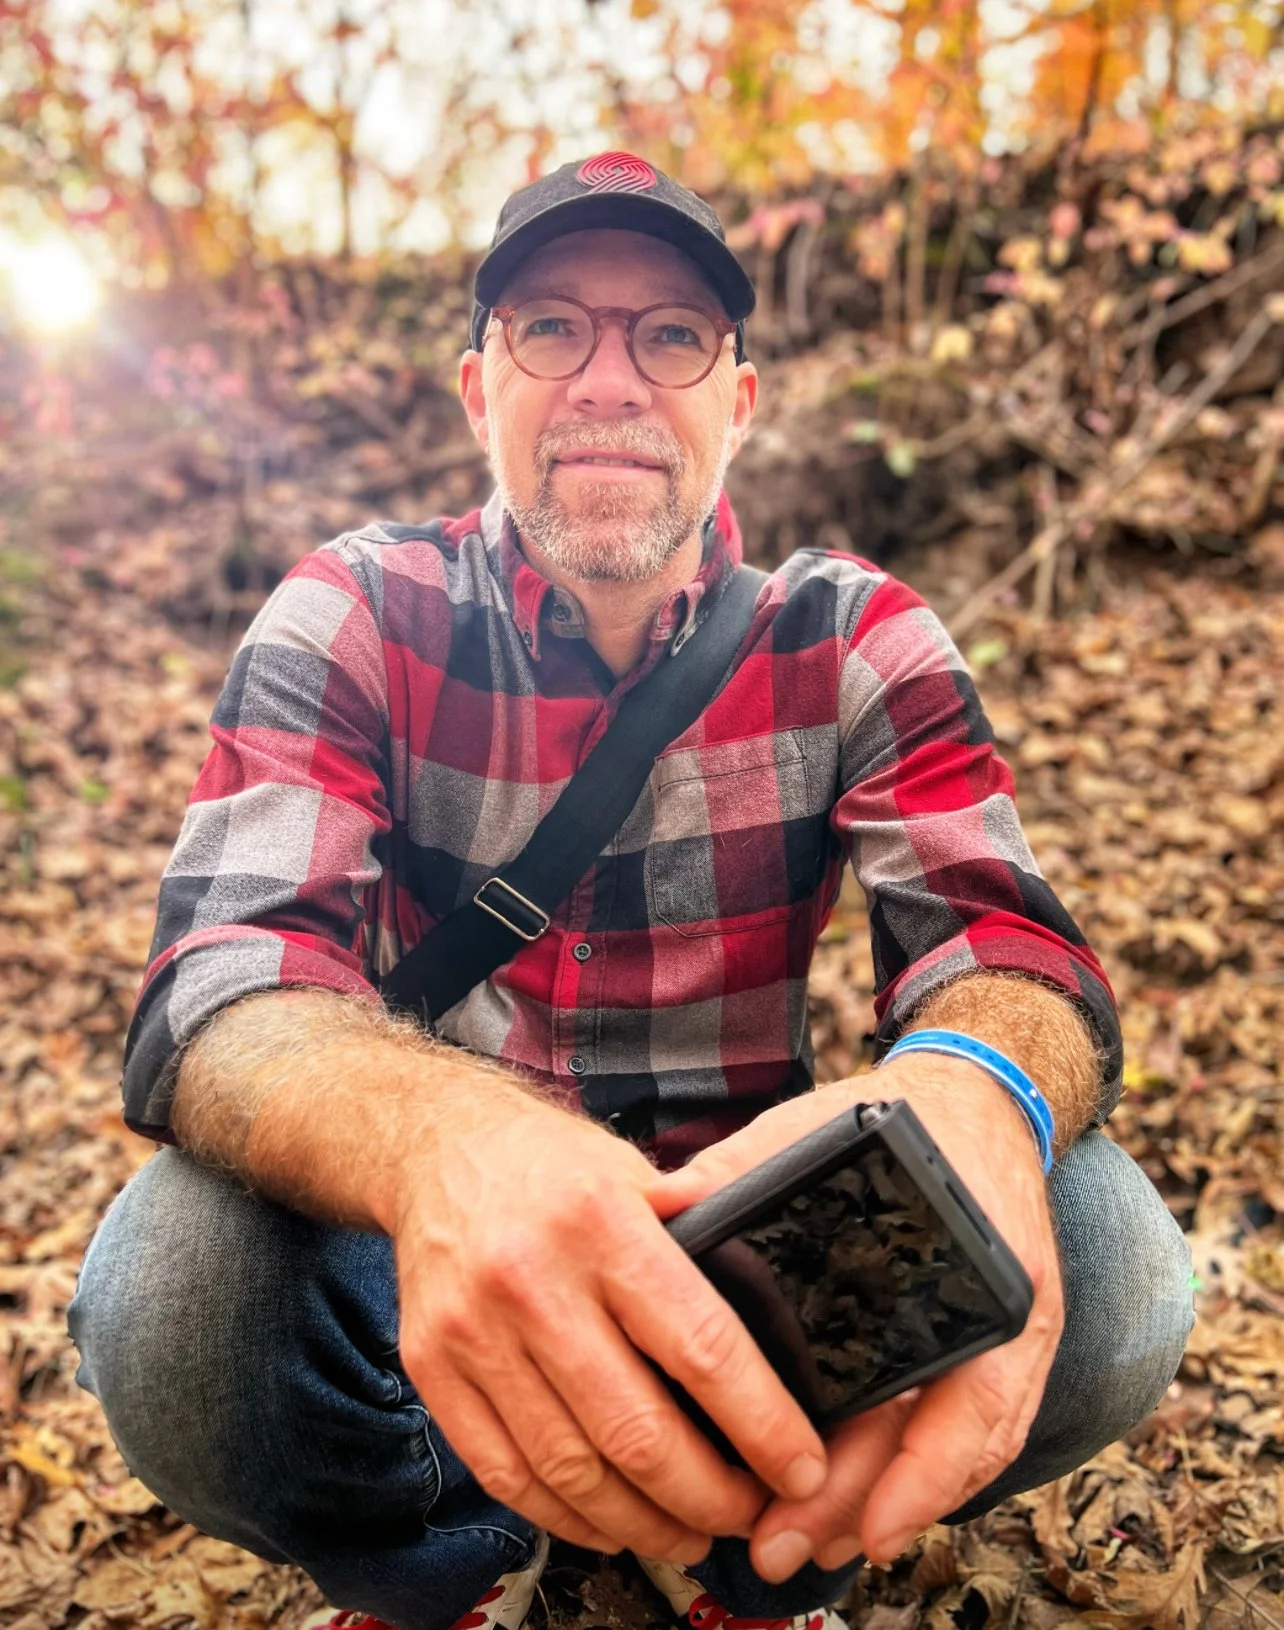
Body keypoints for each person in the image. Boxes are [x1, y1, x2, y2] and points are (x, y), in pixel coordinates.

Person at [68, 152, 1194, 1630]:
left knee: (1110, 1257)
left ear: (738, 396)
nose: (612, 377)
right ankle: (442, 1555)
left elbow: (1007, 945)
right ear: (482, 388)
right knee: (173, 1283)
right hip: (435, 1257)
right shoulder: (351, 610)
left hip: (765, 1251)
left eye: (671, 334)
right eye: (552, 326)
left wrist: (977, 1087)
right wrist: (451, 1151)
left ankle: (765, 1553)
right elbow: (221, 993)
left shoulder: (856, 634)